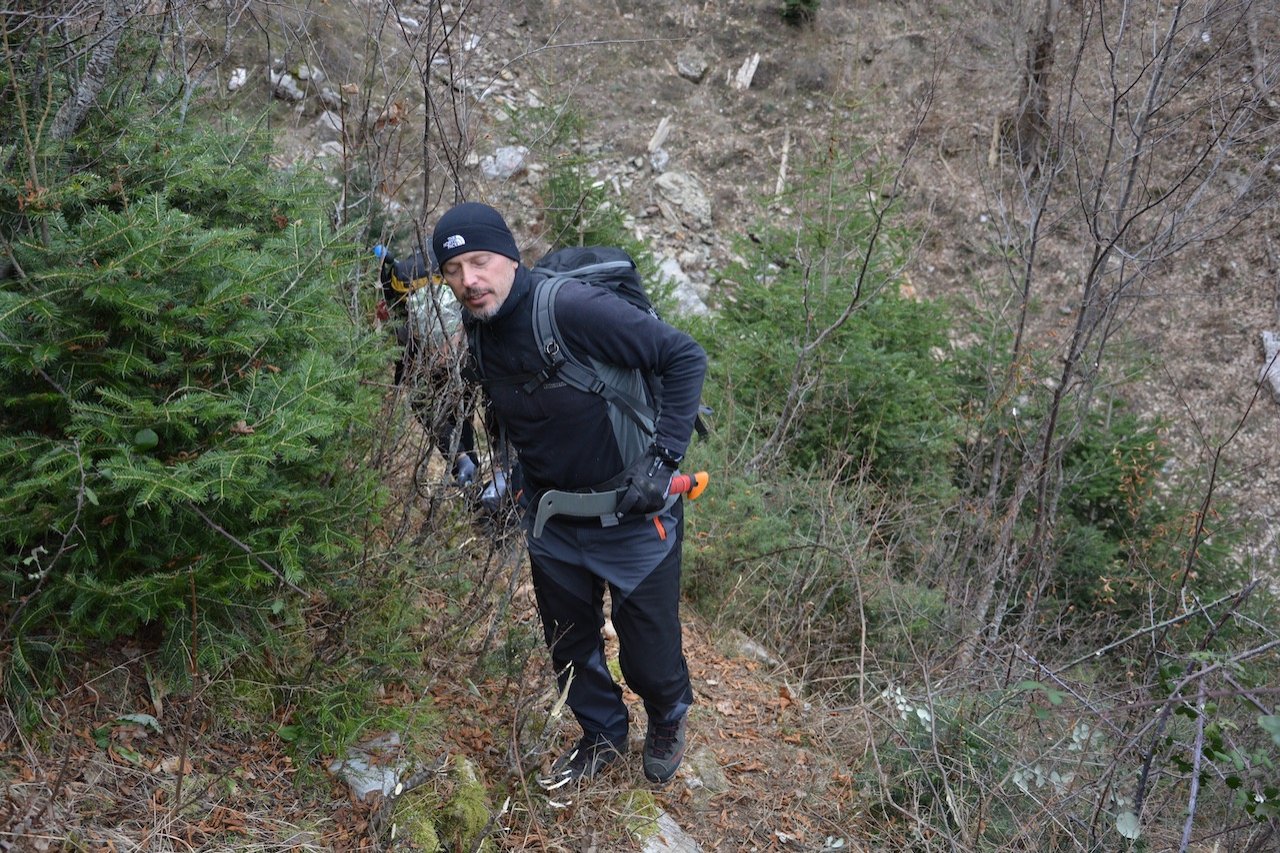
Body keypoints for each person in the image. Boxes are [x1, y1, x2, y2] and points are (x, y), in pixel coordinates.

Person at [433, 202, 707, 785]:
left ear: (508, 256)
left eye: (479, 262)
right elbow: (504, 410)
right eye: (453, 270)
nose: (469, 280)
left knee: (649, 658)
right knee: (570, 645)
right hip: (552, 516)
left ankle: (666, 715)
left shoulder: (571, 308)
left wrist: (663, 462)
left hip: (635, 514)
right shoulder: (479, 332)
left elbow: (684, 356)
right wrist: (507, 475)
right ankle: (602, 735)